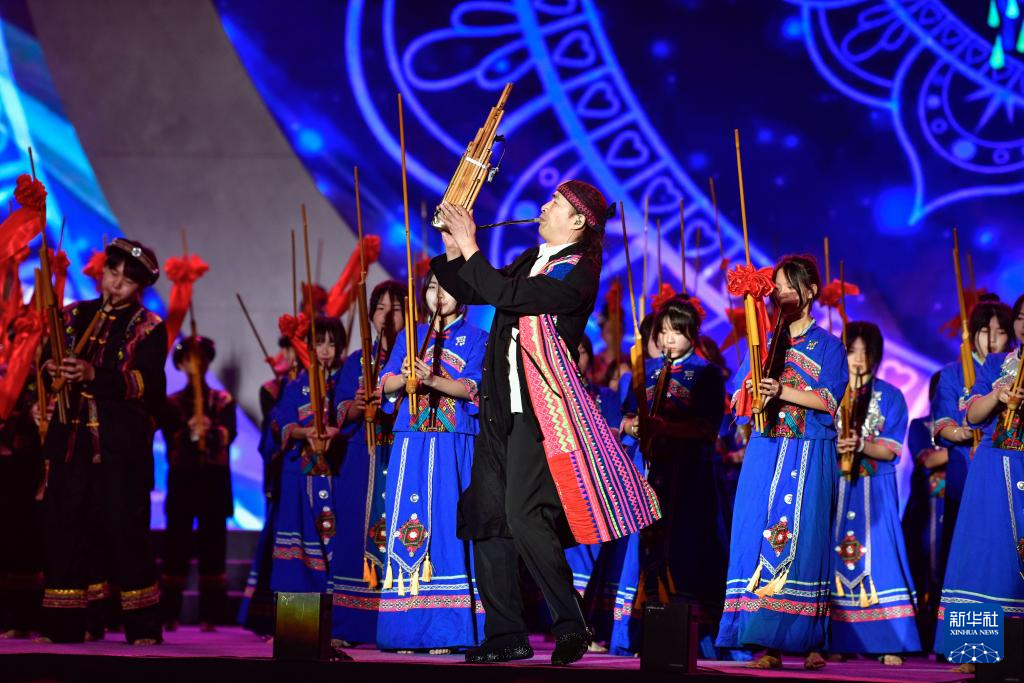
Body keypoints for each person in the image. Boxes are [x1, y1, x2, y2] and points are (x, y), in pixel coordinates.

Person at [430, 183, 660, 666]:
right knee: (488, 517)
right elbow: (477, 288)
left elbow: (508, 294)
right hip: (498, 407)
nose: (543, 207)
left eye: (554, 203)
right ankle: (505, 635)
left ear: (578, 221)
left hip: (541, 413)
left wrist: (470, 244)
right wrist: (453, 249)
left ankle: (571, 623)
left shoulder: (578, 271)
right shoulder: (532, 257)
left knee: (522, 515)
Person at [715, 254, 847, 670]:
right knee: (757, 535)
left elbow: (828, 399)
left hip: (808, 449)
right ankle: (764, 642)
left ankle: (808, 640)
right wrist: (750, 391)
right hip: (767, 449)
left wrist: (782, 391)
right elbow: (738, 397)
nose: (783, 293)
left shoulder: (829, 345)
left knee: (805, 539)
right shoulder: (766, 340)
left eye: (791, 285)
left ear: (811, 291)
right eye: (779, 286)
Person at [38, 238, 167, 645]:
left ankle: (142, 626)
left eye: (128, 280)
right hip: (70, 442)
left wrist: (94, 375)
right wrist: (52, 368)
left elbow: (148, 384)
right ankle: (67, 625)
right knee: (67, 528)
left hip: (119, 449)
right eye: (113, 273)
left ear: (140, 287)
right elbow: (44, 361)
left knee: (125, 531)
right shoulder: (72, 315)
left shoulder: (149, 327)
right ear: (103, 271)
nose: (116, 284)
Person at [375, 270, 487, 653]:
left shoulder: (477, 338)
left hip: (452, 443)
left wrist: (432, 380)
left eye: (448, 288)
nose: (439, 295)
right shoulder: (411, 336)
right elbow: (384, 384)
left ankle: (449, 630)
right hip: (412, 440)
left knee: (447, 525)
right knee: (409, 524)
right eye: (434, 287)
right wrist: (404, 377)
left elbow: (473, 387)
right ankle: (404, 631)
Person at [936, 293, 1024, 673]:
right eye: (1021, 317)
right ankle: (975, 652)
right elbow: (972, 414)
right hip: (992, 466)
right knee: (982, 556)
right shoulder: (996, 365)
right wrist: (998, 396)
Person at [829, 322, 919, 664]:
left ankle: (887, 640)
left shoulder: (891, 396)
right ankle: (833, 640)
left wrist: (861, 445)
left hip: (875, 487)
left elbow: (891, 450)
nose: (858, 359)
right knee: (830, 556)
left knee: (881, 559)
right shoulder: (830, 393)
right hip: (835, 486)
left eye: (866, 352)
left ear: (878, 355)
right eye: (851, 351)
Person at [330, 279, 405, 644]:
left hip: (403, 453)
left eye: (396, 309)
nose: (387, 317)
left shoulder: (416, 358)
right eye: (380, 309)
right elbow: (339, 407)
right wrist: (358, 407)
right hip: (364, 455)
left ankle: (402, 625)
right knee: (354, 534)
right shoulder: (357, 361)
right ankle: (350, 626)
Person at [159, 335, 236, 631]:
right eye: (191, 357)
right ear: (180, 363)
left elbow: (229, 435)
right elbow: (170, 439)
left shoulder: (223, 400)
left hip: (214, 480)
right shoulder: (172, 402)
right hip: (183, 479)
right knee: (175, 546)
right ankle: (169, 613)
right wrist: (190, 432)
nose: (197, 363)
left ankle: (210, 615)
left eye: (202, 357)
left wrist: (211, 431)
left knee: (213, 546)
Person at [931, 295, 1011, 574]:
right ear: (972, 333)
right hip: (964, 468)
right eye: (985, 331)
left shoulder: (1013, 369)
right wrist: (962, 431)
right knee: (961, 550)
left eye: (1001, 332)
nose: (993, 340)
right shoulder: (953, 373)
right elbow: (943, 425)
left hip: (1005, 469)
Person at [268, 317, 347, 595]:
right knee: (301, 540)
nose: (325, 350)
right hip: (300, 475)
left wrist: (336, 431)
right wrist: (305, 432)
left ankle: (337, 608)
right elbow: (281, 421)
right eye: (319, 343)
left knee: (339, 538)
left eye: (332, 344)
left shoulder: (343, 382)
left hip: (338, 472)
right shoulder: (296, 384)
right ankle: (300, 612)